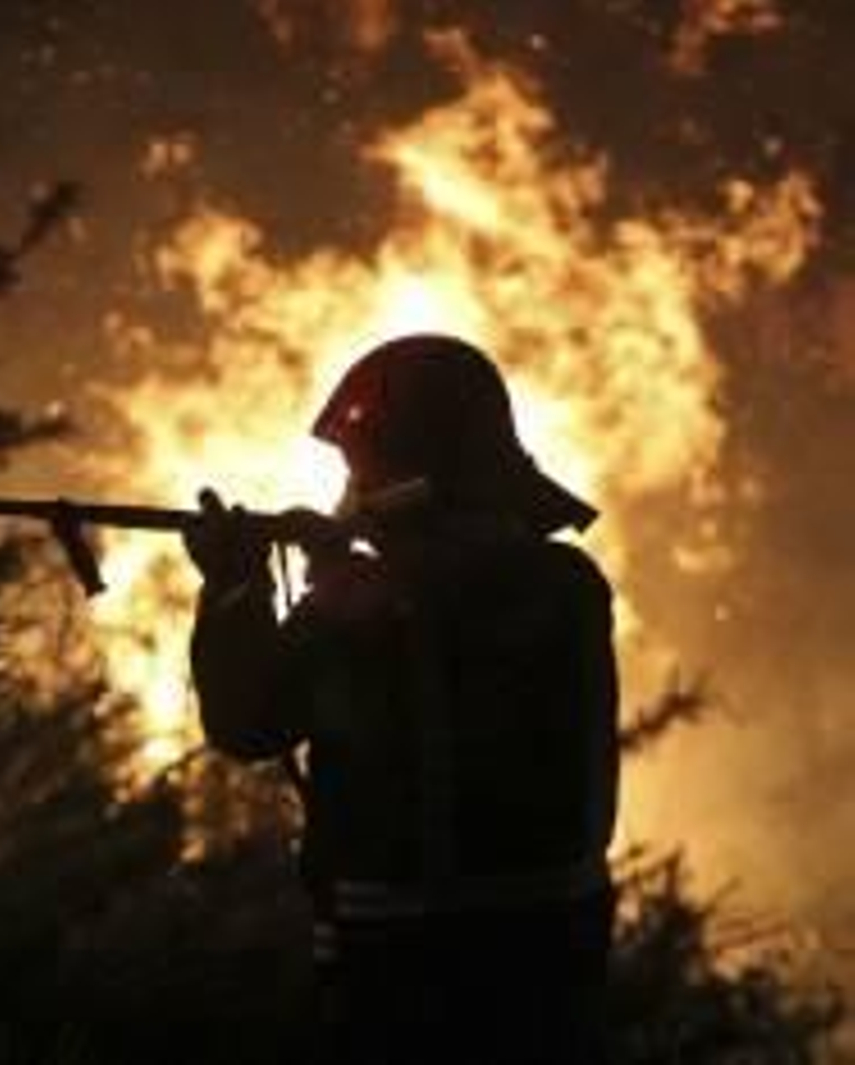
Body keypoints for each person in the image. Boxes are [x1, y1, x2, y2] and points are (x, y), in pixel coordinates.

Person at [185, 334, 619, 1065]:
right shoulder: (570, 585)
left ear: (402, 471)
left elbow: (246, 720)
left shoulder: (355, 606)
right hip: (557, 973)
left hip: (403, 976)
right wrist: (343, 566)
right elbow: (449, 613)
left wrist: (235, 588)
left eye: (360, 467)